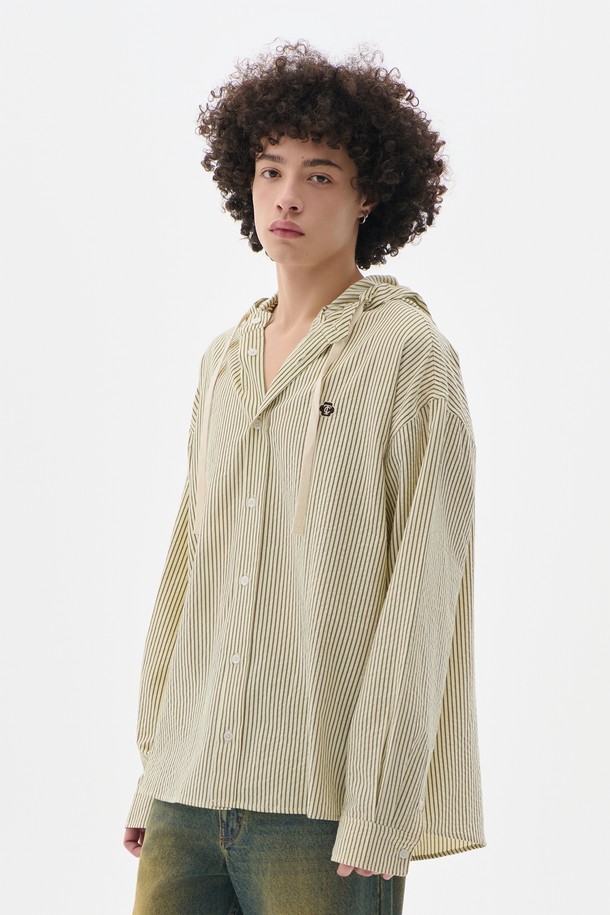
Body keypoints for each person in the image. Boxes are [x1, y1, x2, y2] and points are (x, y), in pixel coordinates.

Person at [123, 39, 486, 914]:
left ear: (369, 195)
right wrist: (153, 773)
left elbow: (423, 590)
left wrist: (381, 807)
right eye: (270, 169)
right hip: (185, 795)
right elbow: (190, 574)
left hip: (321, 810)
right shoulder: (223, 361)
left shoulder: (410, 355)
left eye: (319, 175)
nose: (286, 196)